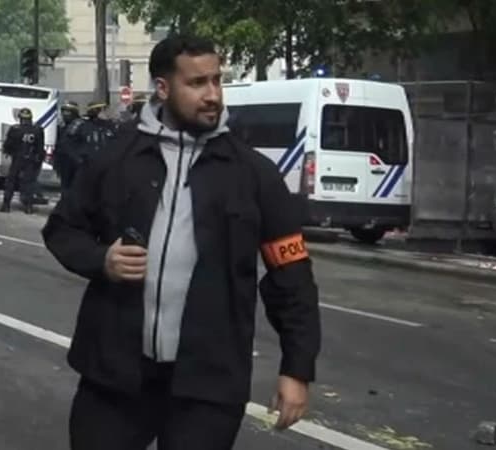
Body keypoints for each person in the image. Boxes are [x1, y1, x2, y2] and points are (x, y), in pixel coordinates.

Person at [42, 34, 321, 450]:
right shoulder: (116, 159)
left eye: (216, 81)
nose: (212, 95)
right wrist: (103, 259)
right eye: (196, 83)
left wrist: (297, 369)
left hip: (207, 384)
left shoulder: (253, 174)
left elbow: (291, 273)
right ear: (162, 88)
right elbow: (62, 229)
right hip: (115, 376)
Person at [0, 108, 45, 214]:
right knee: (29, 183)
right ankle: (28, 207)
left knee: (11, 182)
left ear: (20, 118)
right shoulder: (38, 129)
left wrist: (9, 152)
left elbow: (8, 145)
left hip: (17, 158)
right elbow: (40, 147)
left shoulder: (15, 129)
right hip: (31, 159)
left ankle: (6, 205)